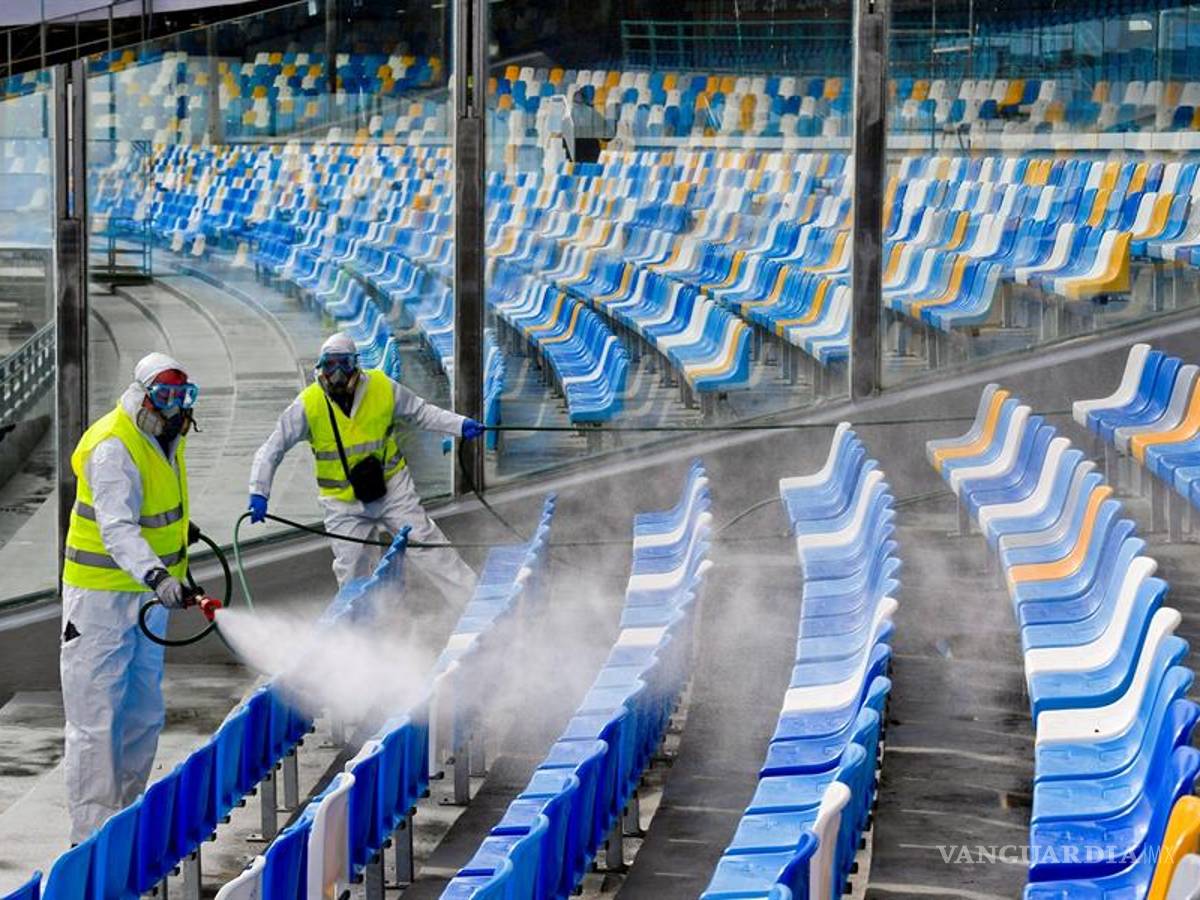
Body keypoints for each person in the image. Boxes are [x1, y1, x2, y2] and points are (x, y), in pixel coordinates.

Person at [60, 352, 199, 843]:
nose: (175, 408)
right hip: (99, 603)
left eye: (181, 398)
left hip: (145, 599)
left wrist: (177, 549)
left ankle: (128, 819)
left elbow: (156, 510)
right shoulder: (113, 446)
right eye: (165, 398)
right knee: (96, 723)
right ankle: (92, 840)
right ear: (143, 396)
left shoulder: (164, 436)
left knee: (142, 715)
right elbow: (117, 529)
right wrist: (159, 574)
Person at [247, 332, 484, 596]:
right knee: (352, 571)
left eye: (344, 364)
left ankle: (473, 599)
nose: (337, 373)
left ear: (355, 365)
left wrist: (459, 425)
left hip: (392, 489)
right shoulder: (308, 404)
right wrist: (259, 491)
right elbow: (272, 448)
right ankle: (359, 629)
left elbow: (421, 412)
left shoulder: (381, 386)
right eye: (330, 365)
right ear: (321, 368)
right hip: (342, 502)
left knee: (427, 544)